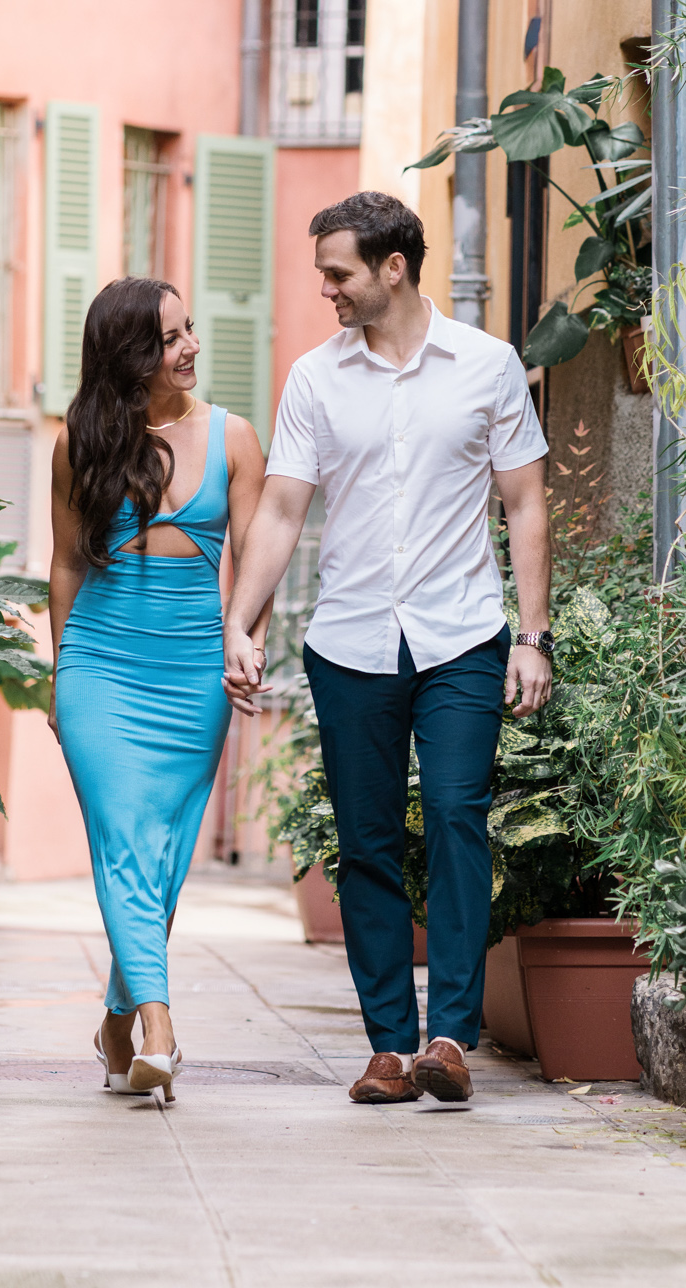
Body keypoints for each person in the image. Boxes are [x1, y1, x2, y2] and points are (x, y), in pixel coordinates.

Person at [222, 191, 553, 1106]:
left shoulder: (487, 367)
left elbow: (524, 502)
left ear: (393, 268)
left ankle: (449, 1036)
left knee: (456, 817)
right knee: (366, 843)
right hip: (351, 639)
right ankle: (386, 1047)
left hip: (462, 636)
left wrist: (533, 636)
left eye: (339, 272)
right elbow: (285, 508)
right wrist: (240, 626)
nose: (324, 287)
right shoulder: (314, 380)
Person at [50, 276, 268, 1102]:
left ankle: (114, 1021)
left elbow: (254, 561)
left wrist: (240, 642)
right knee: (124, 838)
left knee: (162, 855)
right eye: (172, 337)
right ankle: (161, 1031)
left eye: (190, 331)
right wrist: (60, 669)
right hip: (100, 663)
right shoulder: (83, 442)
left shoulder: (235, 438)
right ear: (130, 354)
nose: (190, 348)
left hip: (192, 672)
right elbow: (67, 561)